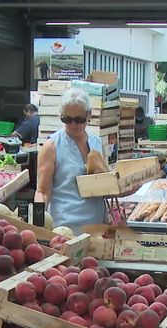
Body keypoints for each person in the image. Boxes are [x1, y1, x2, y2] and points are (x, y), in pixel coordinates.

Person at [35, 88, 105, 232]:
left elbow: (105, 183)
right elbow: (42, 191)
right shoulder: (52, 146)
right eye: (67, 119)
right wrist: (38, 222)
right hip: (65, 229)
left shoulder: (97, 143)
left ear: (89, 115)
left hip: (97, 228)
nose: (73, 125)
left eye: (79, 120)